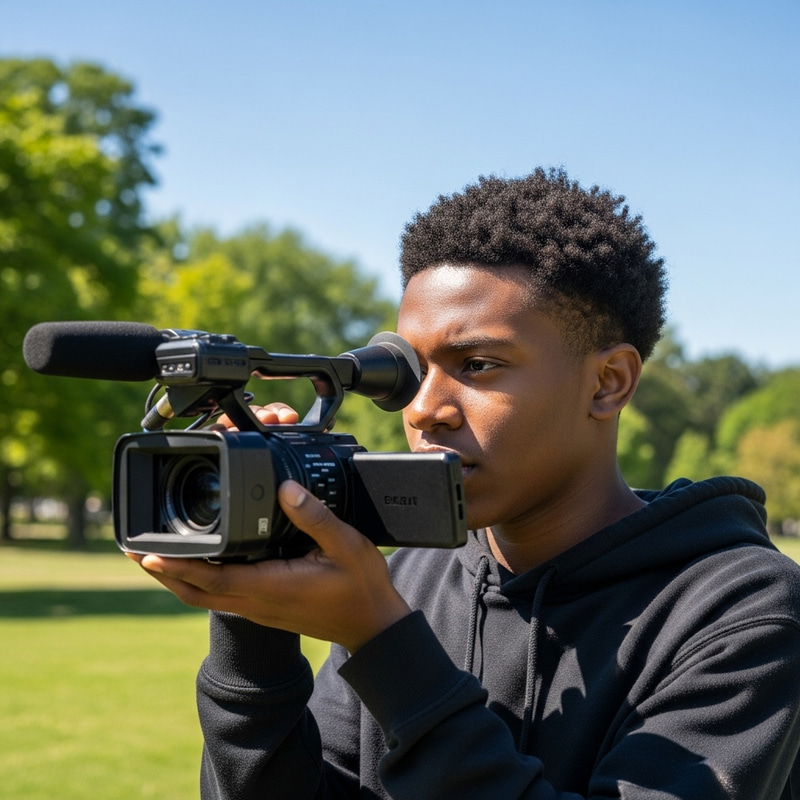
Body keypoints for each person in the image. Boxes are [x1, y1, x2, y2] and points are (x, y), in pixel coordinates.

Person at [128, 168, 800, 799]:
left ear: (608, 382)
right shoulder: (413, 574)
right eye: (409, 372)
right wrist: (255, 618)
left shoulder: (745, 611)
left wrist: (387, 647)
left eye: (477, 365)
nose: (422, 409)